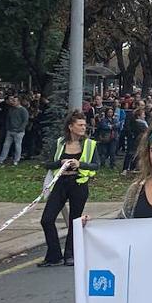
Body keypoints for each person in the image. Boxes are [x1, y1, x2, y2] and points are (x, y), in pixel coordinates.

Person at [38, 112, 98, 266]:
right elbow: (47, 163)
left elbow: (96, 165)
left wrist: (80, 164)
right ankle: (54, 255)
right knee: (47, 219)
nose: (83, 127)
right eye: (80, 125)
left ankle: (70, 254)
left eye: (84, 125)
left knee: (75, 220)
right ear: (71, 127)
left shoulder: (90, 144)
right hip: (60, 183)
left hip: (79, 183)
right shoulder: (59, 143)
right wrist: (60, 162)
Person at [0, 95, 28, 167]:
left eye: (14, 101)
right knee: (6, 145)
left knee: (17, 146)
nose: (12, 102)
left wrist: (20, 129)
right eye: (12, 101)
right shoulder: (11, 109)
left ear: (18, 102)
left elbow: (25, 121)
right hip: (10, 131)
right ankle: (1, 160)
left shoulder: (23, 110)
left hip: (19, 132)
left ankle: (16, 160)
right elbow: (8, 119)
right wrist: (8, 127)